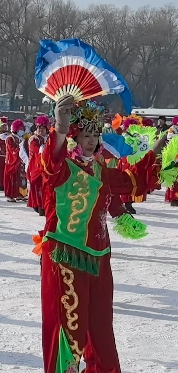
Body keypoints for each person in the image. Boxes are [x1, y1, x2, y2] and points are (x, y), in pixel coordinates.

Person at [38, 95, 165, 373]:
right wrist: (59, 127)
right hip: (66, 253)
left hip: (99, 255)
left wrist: (156, 149)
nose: (91, 140)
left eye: (95, 134)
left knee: (100, 323)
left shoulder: (100, 170)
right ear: (75, 136)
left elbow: (131, 181)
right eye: (85, 134)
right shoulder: (63, 168)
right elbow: (49, 163)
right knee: (70, 322)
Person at [27, 115, 50, 215]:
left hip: (45, 167)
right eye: (39, 128)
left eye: (43, 128)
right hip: (35, 166)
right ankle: (39, 206)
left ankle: (44, 206)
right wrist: (43, 149)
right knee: (37, 187)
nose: (41, 130)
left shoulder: (47, 138)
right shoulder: (33, 139)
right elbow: (35, 149)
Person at [4, 119, 25, 202]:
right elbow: (11, 149)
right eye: (20, 129)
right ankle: (10, 195)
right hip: (11, 161)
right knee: (10, 179)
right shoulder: (10, 138)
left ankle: (18, 194)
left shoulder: (20, 138)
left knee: (18, 178)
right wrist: (20, 150)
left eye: (22, 129)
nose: (22, 131)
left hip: (18, 161)